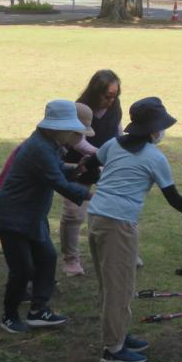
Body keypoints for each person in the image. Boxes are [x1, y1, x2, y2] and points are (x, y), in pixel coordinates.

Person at [85, 97, 182, 362]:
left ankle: (119, 333)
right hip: (118, 224)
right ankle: (113, 349)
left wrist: (103, 183)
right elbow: (173, 197)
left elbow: (89, 167)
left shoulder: (112, 145)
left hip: (97, 216)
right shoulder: (154, 157)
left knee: (110, 285)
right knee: (119, 288)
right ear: (153, 130)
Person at [0, 100, 93, 334]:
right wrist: (92, 196)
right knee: (23, 269)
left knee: (47, 257)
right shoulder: (40, 147)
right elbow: (57, 182)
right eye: (71, 130)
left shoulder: (48, 143)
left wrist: (77, 168)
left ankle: (39, 311)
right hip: (12, 217)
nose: (73, 135)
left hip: (32, 215)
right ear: (59, 128)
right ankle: (9, 315)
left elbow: (55, 169)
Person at [60, 70, 125, 275]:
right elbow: (78, 141)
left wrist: (119, 150)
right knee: (74, 213)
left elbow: (117, 129)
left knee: (117, 207)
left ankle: (120, 251)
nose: (111, 100)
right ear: (96, 92)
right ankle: (71, 260)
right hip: (77, 165)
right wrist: (101, 155)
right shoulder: (80, 108)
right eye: (108, 96)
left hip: (105, 163)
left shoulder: (115, 106)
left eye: (115, 95)